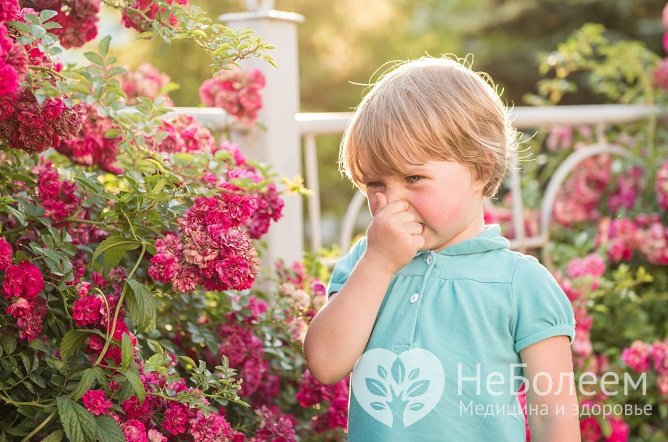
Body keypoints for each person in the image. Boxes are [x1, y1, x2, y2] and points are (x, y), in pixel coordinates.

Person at [302, 56, 580, 441]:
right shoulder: (367, 263)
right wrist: (378, 264)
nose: (390, 203)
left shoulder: (521, 283)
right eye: (376, 184)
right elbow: (325, 363)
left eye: (413, 177)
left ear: (481, 170)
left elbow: (554, 418)